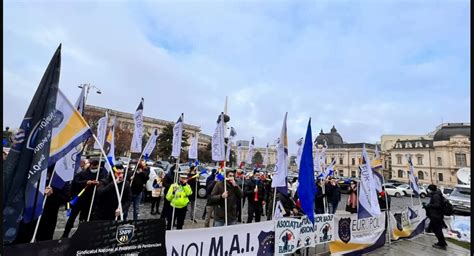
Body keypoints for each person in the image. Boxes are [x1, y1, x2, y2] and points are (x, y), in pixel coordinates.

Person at [62, 160, 106, 238]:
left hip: (90, 201)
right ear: (90, 166)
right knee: (72, 218)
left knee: (84, 219)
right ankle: (65, 235)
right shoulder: (82, 173)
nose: (94, 169)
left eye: (96, 168)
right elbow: (75, 182)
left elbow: (105, 182)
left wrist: (99, 183)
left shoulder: (101, 174)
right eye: (93, 167)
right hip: (79, 200)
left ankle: (80, 235)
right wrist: (86, 182)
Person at [423, 184, 448, 250]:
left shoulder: (436, 195)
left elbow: (437, 205)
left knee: (437, 230)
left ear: (430, 189)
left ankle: (442, 244)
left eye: (428, 189)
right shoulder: (435, 194)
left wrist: (429, 205)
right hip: (436, 215)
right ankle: (442, 242)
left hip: (436, 215)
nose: (427, 190)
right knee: (436, 229)